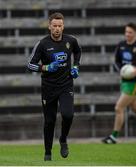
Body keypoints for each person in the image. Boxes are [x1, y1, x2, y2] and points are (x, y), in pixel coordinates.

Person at [27, 12, 81, 160]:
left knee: (68, 115)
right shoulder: (42, 44)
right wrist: (45, 68)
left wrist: (76, 67)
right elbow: (30, 64)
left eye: (60, 26)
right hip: (48, 88)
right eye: (54, 26)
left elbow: (77, 52)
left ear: (63, 26)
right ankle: (48, 153)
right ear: (49, 26)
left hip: (66, 85)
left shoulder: (71, 40)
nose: (57, 28)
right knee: (50, 121)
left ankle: (63, 139)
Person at [102, 22, 136, 144]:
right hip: (125, 81)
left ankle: (114, 136)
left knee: (119, 107)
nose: (128, 34)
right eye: (126, 32)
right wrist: (121, 70)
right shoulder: (121, 45)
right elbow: (116, 62)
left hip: (135, 83)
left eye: (130, 32)